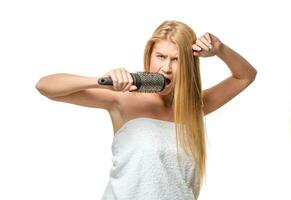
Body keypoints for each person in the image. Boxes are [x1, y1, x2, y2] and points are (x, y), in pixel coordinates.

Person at [36, 20, 257, 200]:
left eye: (176, 60)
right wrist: (100, 81)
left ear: (189, 64)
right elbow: (45, 86)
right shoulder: (123, 98)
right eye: (160, 56)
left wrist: (220, 49)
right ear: (149, 55)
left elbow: (245, 75)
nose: (166, 68)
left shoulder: (195, 106)